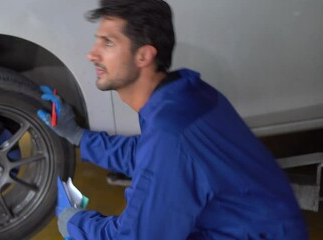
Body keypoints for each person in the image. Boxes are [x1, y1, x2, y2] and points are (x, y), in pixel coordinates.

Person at [37, 0, 309, 239]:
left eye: (108, 42)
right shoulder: (181, 96)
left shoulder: (172, 130)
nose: (92, 53)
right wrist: (78, 136)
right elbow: (150, 156)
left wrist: (74, 223)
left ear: (144, 55)